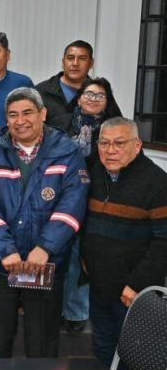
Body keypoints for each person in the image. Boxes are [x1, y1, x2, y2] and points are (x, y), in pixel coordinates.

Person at [0, 87, 89, 357]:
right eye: (12, 115)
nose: (20, 120)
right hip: (1, 265)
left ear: (43, 114)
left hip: (44, 264)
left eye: (27, 113)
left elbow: (72, 205)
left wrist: (45, 248)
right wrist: (6, 250)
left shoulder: (68, 152)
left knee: (42, 344)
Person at [81, 117, 167, 370]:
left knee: (138, 359)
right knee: (103, 350)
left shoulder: (158, 182)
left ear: (138, 145)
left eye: (119, 143)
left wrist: (137, 284)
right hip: (99, 285)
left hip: (133, 294)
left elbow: (163, 242)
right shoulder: (94, 173)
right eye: (104, 143)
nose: (110, 150)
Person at [51, 77, 122, 334]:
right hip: (56, 199)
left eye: (99, 95)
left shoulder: (114, 130)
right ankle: (51, 308)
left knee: (82, 258)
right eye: (88, 94)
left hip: (95, 201)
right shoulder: (60, 124)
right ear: (78, 98)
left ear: (107, 102)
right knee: (57, 255)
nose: (92, 99)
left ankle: (75, 312)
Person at [36, 40, 95, 125]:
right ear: (63, 62)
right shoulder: (41, 91)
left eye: (82, 59)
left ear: (91, 63)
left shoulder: (99, 94)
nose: (75, 63)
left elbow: (116, 126)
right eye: (70, 58)